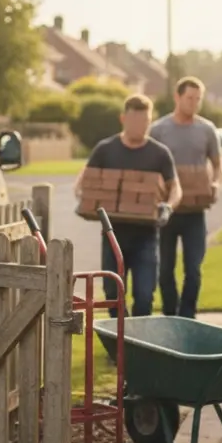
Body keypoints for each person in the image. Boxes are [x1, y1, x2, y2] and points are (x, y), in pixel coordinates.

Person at [75, 94, 182, 319]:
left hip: (147, 236)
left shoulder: (159, 153)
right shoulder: (105, 149)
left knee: (144, 296)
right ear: (123, 119)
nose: (141, 127)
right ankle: (120, 345)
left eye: (146, 121)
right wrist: (84, 198)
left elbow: (175, 188)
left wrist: (168, 207)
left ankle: (138, 346)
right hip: (113, 235)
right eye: (136, 121)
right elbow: (83, 181)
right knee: (113, 293)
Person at [150, 77, 222, 319]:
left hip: (195, 212)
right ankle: (171, 316)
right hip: (166, 213)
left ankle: (188, 316)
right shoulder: (159, 130)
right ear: (177, 97)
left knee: (193, 269)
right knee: (165, 271)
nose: (194, 103)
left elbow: (218, 166)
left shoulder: (207, 130)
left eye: (198, 99)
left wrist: (215, 183)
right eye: (190, 98)